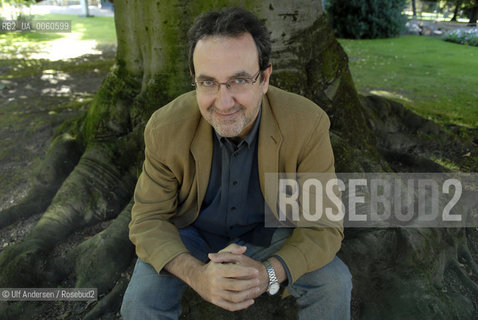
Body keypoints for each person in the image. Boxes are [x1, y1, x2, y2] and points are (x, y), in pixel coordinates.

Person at [121, 7, 352, 320]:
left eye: (239, 80)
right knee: (140, 301)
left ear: (265, 78)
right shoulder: (165, 128)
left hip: (271, 236)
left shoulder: (307, 123)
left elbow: (324, 226)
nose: (224, 101)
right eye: (208, 83)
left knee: (334, 282)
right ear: (195, 80)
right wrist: (197, 276)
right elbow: (148, 220)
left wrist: (269, 274)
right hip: (191, 236)